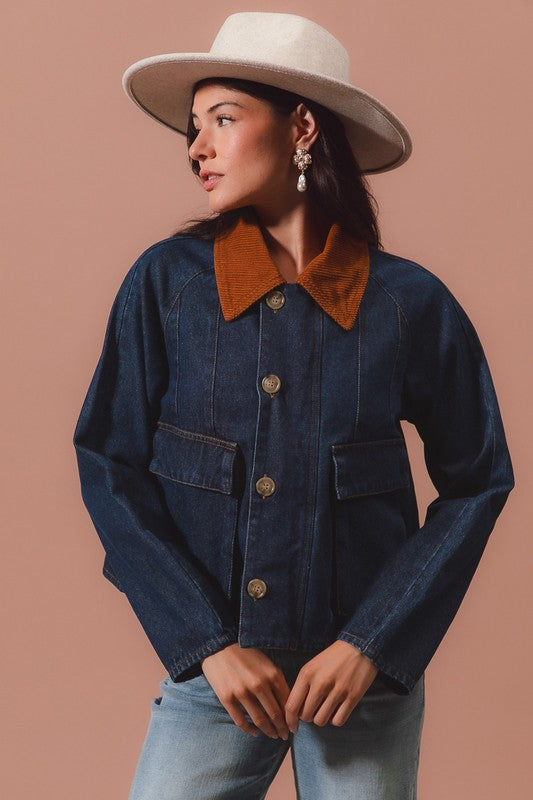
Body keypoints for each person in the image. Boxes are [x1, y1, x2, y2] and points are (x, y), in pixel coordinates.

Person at [72, 11, 515, 800]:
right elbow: (108, 462)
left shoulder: (408, 303)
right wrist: (206, 644)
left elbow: (478, 480)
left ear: (301, 127)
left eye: (222, 119)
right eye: (193, 127)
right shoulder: (168, 285)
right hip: (219, 674)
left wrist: (370, 643)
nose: (196, 147)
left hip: (357, 683)